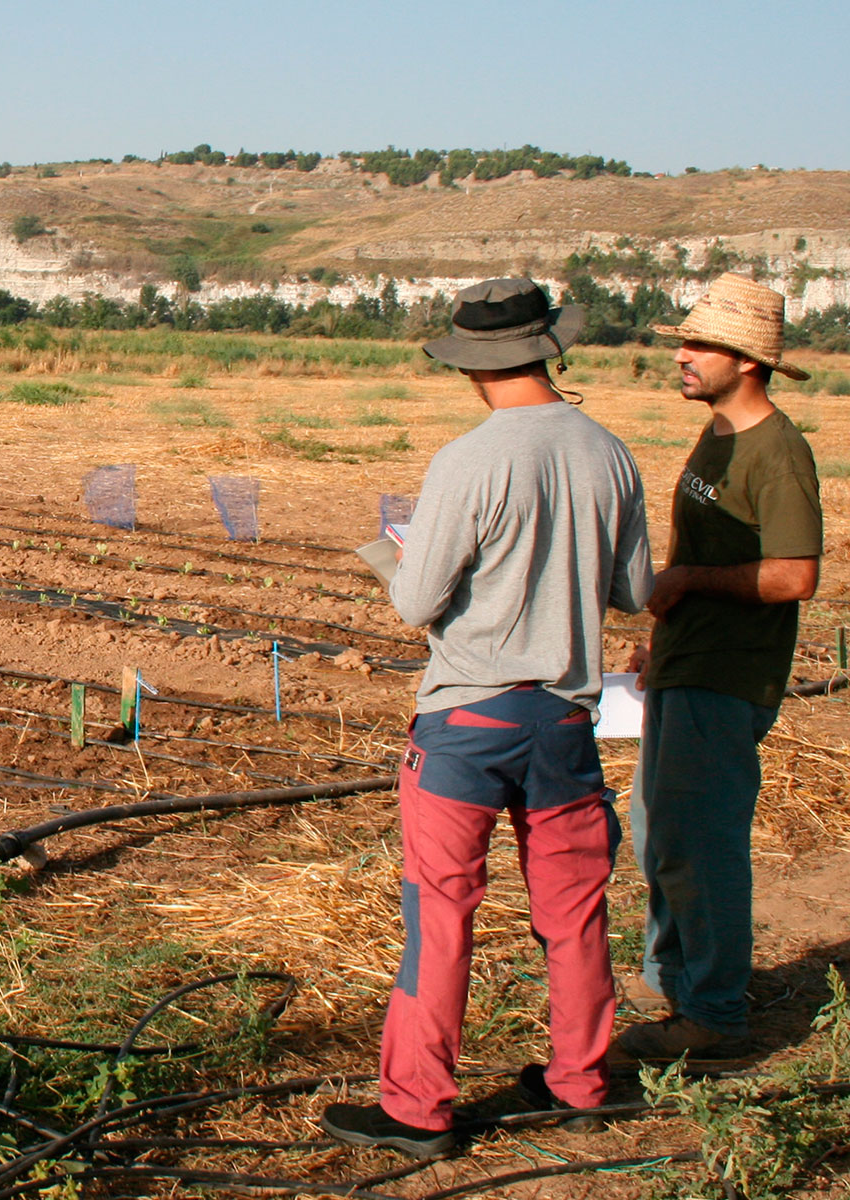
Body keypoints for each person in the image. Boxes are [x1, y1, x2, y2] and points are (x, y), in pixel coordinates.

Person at [321, 278, 653, 1159]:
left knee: (442, 913)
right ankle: (583, 1082)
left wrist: (401, 564)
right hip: (567, 724)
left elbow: (420, 599)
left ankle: (418, 1108)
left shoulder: (469, 460)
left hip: (466, 723)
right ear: (550, 349)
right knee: (576, 912)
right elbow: (632, 591)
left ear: (471, 365)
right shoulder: (611, 452)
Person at [610, 273, 823, 1064]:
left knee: (701, 842)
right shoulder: (720, 436)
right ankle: (676, 981)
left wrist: (691, 586)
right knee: (658, 833)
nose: (682, 356)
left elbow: (793, 576)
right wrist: (668, 635)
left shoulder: (778, 452)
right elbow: (704, 549)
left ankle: (716, 1016)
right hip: (688, 661)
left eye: (698, 345)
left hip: (729, 675)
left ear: (747, 360)